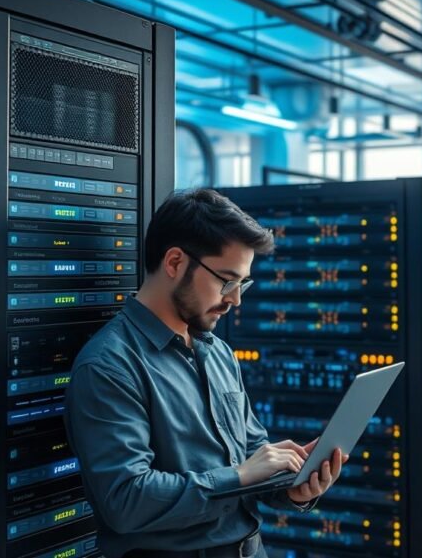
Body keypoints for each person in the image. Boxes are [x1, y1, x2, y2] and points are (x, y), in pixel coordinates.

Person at [64, 188, 347, 558]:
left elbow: (249, 452)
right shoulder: (109, 366)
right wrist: (241, 476)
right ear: (175, 263)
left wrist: (291, 486)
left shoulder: (217, 352)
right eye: (226, 281)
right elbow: (126, 499)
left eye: (242, 284)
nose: (235, 299)